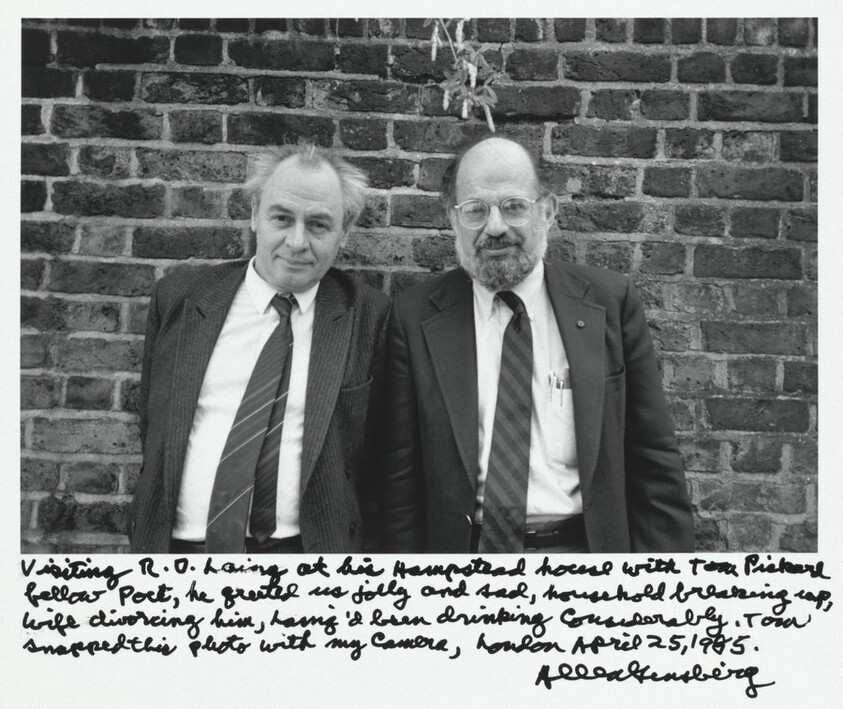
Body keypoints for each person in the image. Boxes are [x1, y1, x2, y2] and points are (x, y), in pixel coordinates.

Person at [382, 136, 694, 553]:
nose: (495, 227)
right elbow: (398, 484)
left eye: (514, 206)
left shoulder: (609, 303)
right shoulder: (414, 317)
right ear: (453, 219)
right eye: (475, 210)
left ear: (546, 212)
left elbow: (653, 459)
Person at [129, 144, 389, 554]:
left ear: (345, 230)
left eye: (319, 225)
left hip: (306, 553)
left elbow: (379, 458)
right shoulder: (180, 298)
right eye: (282, 218)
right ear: (254, 214)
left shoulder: (370, 315)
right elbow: (154, 424)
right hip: (180, 548)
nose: (297, 242)